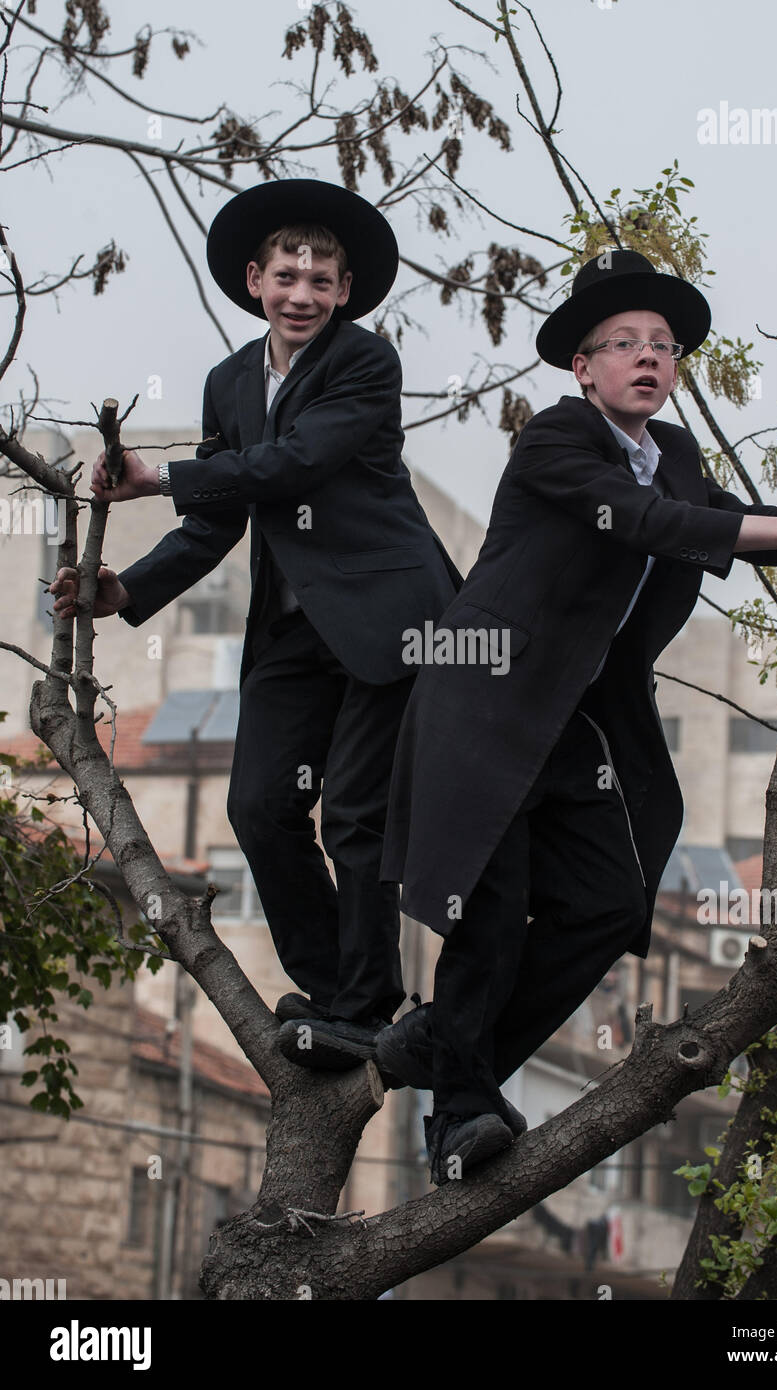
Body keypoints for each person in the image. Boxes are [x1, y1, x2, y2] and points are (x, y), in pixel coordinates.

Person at [375, 249, 777, 1184]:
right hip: (486, 704)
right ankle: (457, 1116)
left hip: (577, 725)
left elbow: (731, 524)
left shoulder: (677, 457)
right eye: (624, 344)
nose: (649, 357)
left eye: (665, 345)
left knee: (611, 900)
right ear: (583, 367)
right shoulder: (557, 439)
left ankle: (438, 1044)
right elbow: (646, 523)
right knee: (489, 915)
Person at [50, 179, 462, 1065]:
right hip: (288, 628)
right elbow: (217, 517)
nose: (303, 293)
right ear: (254, 279)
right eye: (287, 276)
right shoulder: (227, 382)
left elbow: (294, 464)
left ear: (345, 291)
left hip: (391, 616)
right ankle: (328, 993)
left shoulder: (365, 363)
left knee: (353, 811)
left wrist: (154, 477)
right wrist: (125, 592)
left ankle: (364, 1006)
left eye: (321, 279)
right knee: (259, 807)